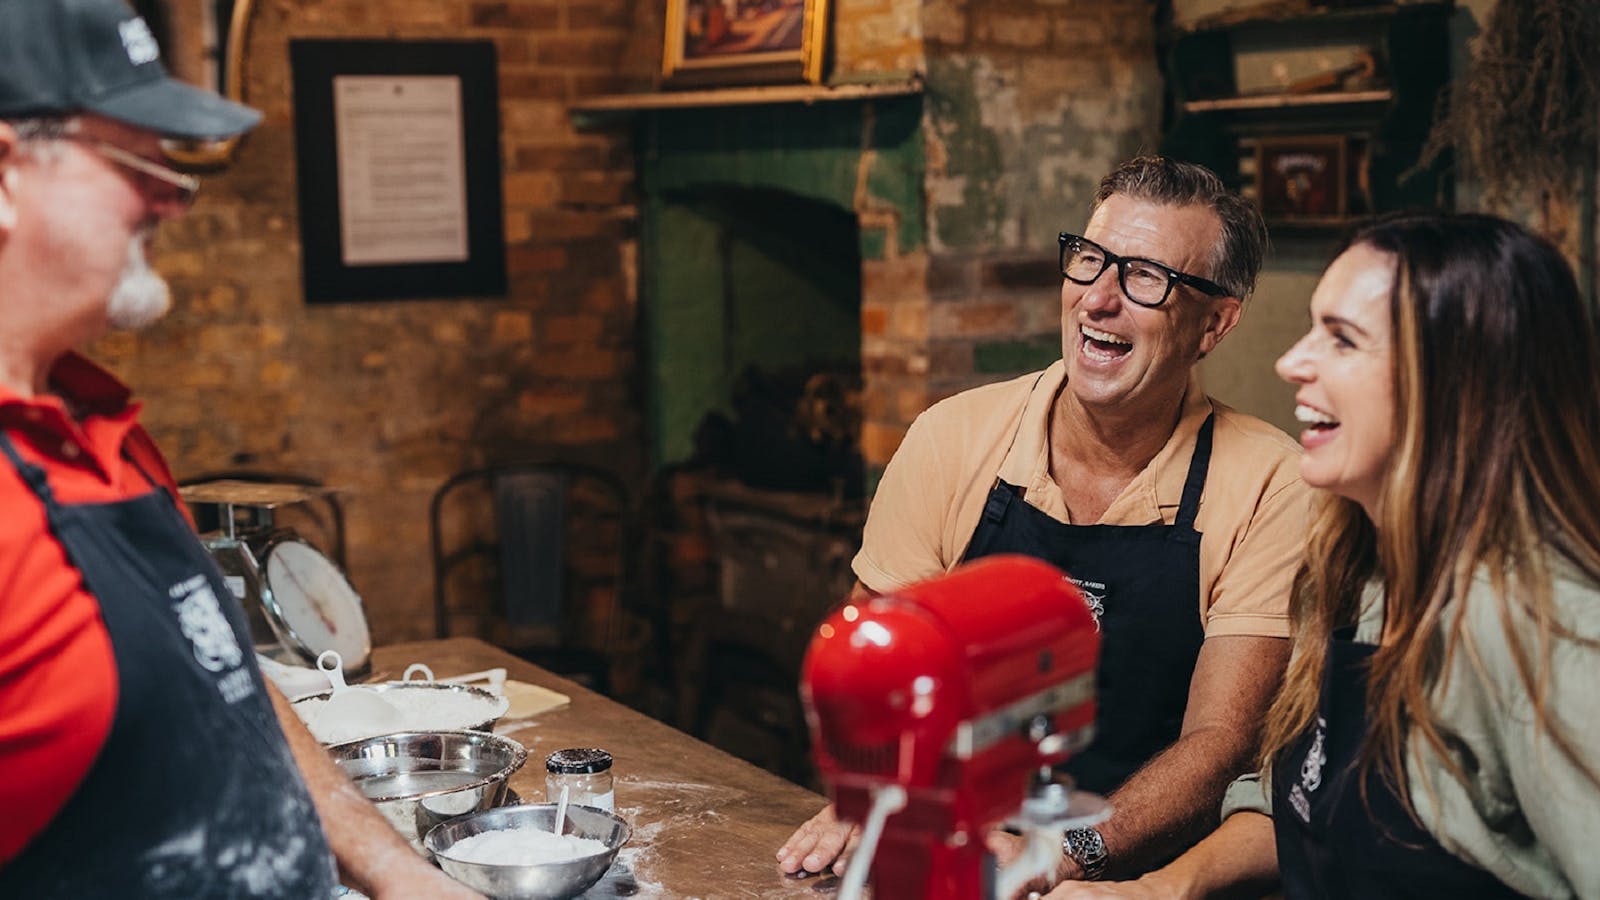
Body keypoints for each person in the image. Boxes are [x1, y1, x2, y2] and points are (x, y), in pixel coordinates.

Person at [0, 1, 481, 896]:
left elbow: (224, 675)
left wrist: (396, 872)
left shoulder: (106, 425)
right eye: (138, 161)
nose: (172, 203)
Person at [780, 157, 1312, 883]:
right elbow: (880, 677)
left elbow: (1222, 743)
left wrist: (1063, 853)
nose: (1099, 300)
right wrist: (877, 796)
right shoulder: (954, 438)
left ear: (1214, 323)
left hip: (1148, 881)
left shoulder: (1270, 483)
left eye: (1146, 277)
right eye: (1090, 261)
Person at [1049, 212, 1600, 899]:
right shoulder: (1364, 572)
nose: (1290, 362)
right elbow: (1294, 794)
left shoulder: (1542, 629)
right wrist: (1160, 890)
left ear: (1457, 379)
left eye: (1342, 340)